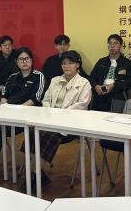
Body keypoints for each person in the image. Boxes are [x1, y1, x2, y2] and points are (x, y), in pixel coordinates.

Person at [0, 47, 45, 180]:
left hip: (26, 116)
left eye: (27, 58)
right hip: (8, 114)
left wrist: (17, 110)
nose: (24, 62)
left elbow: (36, 99)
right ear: (16, 62)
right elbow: (4, 96)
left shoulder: (38, 76)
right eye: (21, 59)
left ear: (32, 60)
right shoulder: (13, 77)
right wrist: (4, 108)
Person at [23, 50, 91, 192]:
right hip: (50, 119)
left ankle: (34, 176)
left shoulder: (84, 83)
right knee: (32, 132)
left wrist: (60, 115)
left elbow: (82, 105)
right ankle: (37, 174)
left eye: (70, 63)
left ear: (77, 65)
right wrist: (51, 113)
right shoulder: (55, 80)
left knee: (46, 135)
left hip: (70, 123)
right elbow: (46, 99)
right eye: (64, 63)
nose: (66, 66)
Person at [89, 34, 131, 112]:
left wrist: (114, 86)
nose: (112, 46)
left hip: (117, 96)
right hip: (100, 96)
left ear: (120, 46)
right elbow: (91, 78)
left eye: (115, 43)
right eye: (110, 43)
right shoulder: (101, 62)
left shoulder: (127, 63)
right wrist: (96, 86)